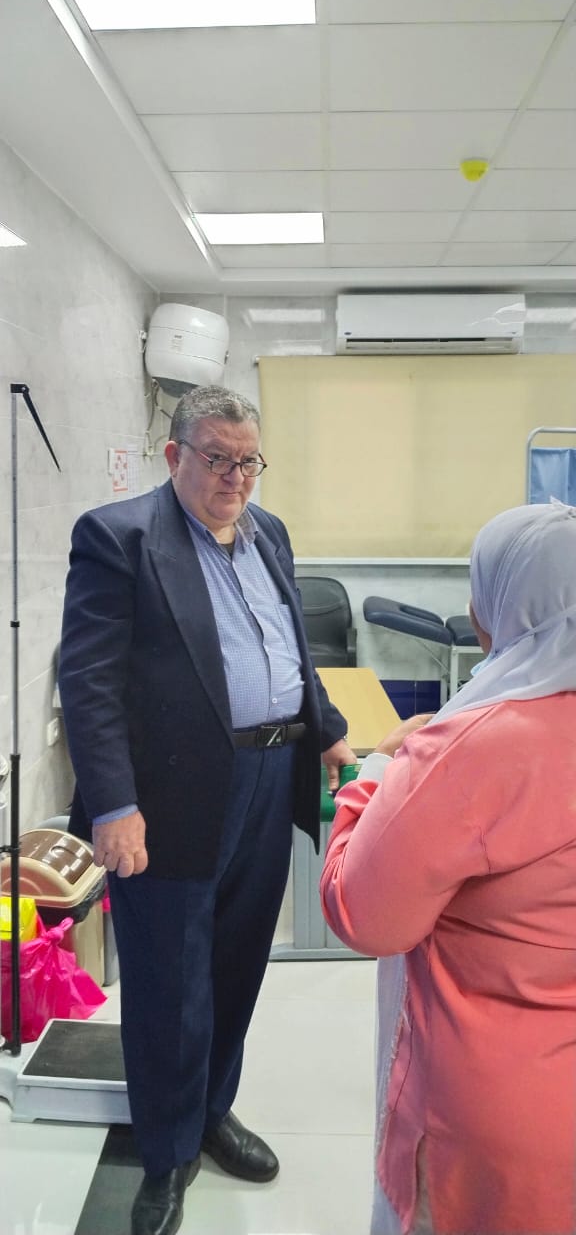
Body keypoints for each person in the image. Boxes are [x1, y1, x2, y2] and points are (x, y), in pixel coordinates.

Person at [58, 385, 355, 1235]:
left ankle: (211, 1110)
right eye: (218, 459)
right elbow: (89, 683)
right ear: (175, 455)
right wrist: (114, 803)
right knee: (168, 980)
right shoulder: (120, 538)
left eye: (248, 461)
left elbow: (288, 649)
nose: (236, 478)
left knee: (235, 964)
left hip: (269, 779)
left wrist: (328, 732)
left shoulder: (270, 534)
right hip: (168, 798)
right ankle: (165, 1153)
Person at [320, 500, 576, 1235]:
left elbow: (364, 914)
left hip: (494, 1114)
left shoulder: (474, 748)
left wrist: (377, 772)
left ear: (497, 607)